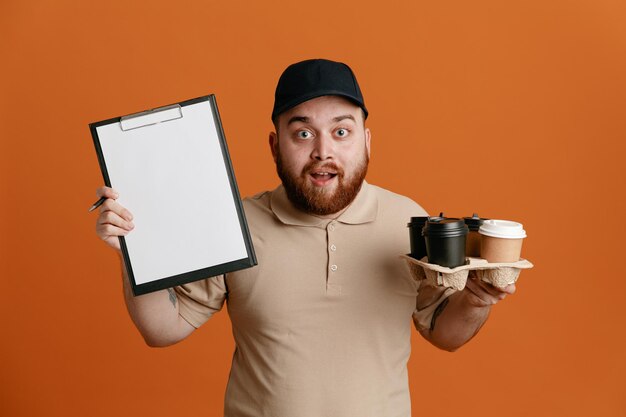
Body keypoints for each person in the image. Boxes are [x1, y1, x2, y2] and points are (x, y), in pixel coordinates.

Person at [95, 59, 515, 417]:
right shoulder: (235, 222)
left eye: (341, 131)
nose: (322, 151)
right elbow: (163, 330)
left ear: (367, 142)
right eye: (302, 133)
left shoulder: (408, 220)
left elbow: (443, 331)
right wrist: (135, 251)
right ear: (275, 146)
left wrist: (476, 299)